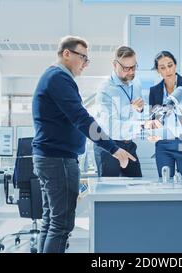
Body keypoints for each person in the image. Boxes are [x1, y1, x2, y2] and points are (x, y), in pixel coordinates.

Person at [32, 36, 136, 253]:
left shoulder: (54, 77)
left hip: (50, 157)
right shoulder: (59, 78)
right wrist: (114, 149)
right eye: (83, 58)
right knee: (61, 224)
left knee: (51, 220)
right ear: (67, 54)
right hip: (57, 159)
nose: (86, 64)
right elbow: (81, 119)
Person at [94, 46, 161, 177]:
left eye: (134, 67)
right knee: (109, 191)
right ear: (114, 65)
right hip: (109, 146)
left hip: (129, 144)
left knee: (136, 187)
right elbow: (110, 126)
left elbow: (138, 112)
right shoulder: (105, 89)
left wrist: (141, 110)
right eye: (126, 68)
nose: (131, 72)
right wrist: (138, 120)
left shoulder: (135, 82)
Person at [148, 51, 182, 179]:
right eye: (162, 68)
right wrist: (153, 130)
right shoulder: (154, 90)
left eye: (170, 65)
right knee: (165, 181)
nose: (167, 70)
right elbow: (152, 118)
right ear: (158, 71)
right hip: (163, 143)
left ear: (175, 65)